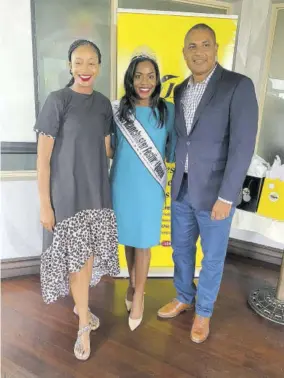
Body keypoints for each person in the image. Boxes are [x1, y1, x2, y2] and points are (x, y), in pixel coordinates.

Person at [158, 24, 258, 343]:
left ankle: (203, 313)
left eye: (205, 45)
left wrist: (228, 196)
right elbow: (181, 140)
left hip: (217, 192)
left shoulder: (237, 86)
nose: (198, 51)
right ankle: (184, 296)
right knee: (181, 249)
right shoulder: (181, 90)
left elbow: (242, 145)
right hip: (182, 188)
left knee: (212, 256)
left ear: (216, 48)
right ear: (184, 53)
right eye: (192, 46)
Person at [34, 39, 120, 360]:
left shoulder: (103, 104)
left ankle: (82, 308)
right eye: (78, 62)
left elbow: (108, 148)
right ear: (70, 65)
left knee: (85, 261)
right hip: (67, 196)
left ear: (99, 66)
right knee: (76, 262)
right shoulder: (58, 101)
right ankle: (84, 321)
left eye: (91, 63)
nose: (85, 69)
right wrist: (45, 203)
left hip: (96, 193)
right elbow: (43, 159)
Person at [110, 54, 176, 331]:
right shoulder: (119, 110)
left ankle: (139, 296)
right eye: (139, 76)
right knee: (128, 237)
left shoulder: (168, 110)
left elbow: (171, 147)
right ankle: (130, 283)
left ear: (158, 79)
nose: (145, 82)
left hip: (151, 185)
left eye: (151, 76)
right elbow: (110, 146)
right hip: (123, 182)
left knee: (145, 241)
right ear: (131, 78)